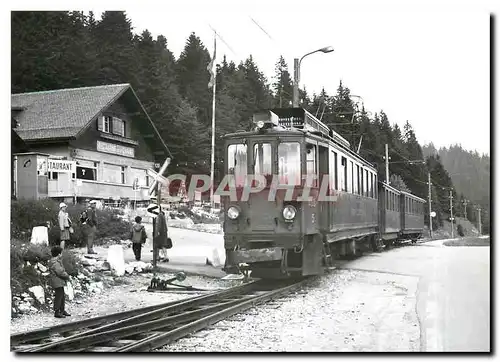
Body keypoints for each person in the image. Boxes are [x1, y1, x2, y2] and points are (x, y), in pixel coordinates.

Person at [48, 246, 71, 318]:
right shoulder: (55, 263)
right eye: (61, 253)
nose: (61, 255)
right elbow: (60, 272)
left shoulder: (55, 261)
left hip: (59, 281)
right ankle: (57, 312)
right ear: (58, 254)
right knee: (59, 296)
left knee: (62, 296)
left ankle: (62, 310)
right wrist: (67, 276)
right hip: (57, 281)